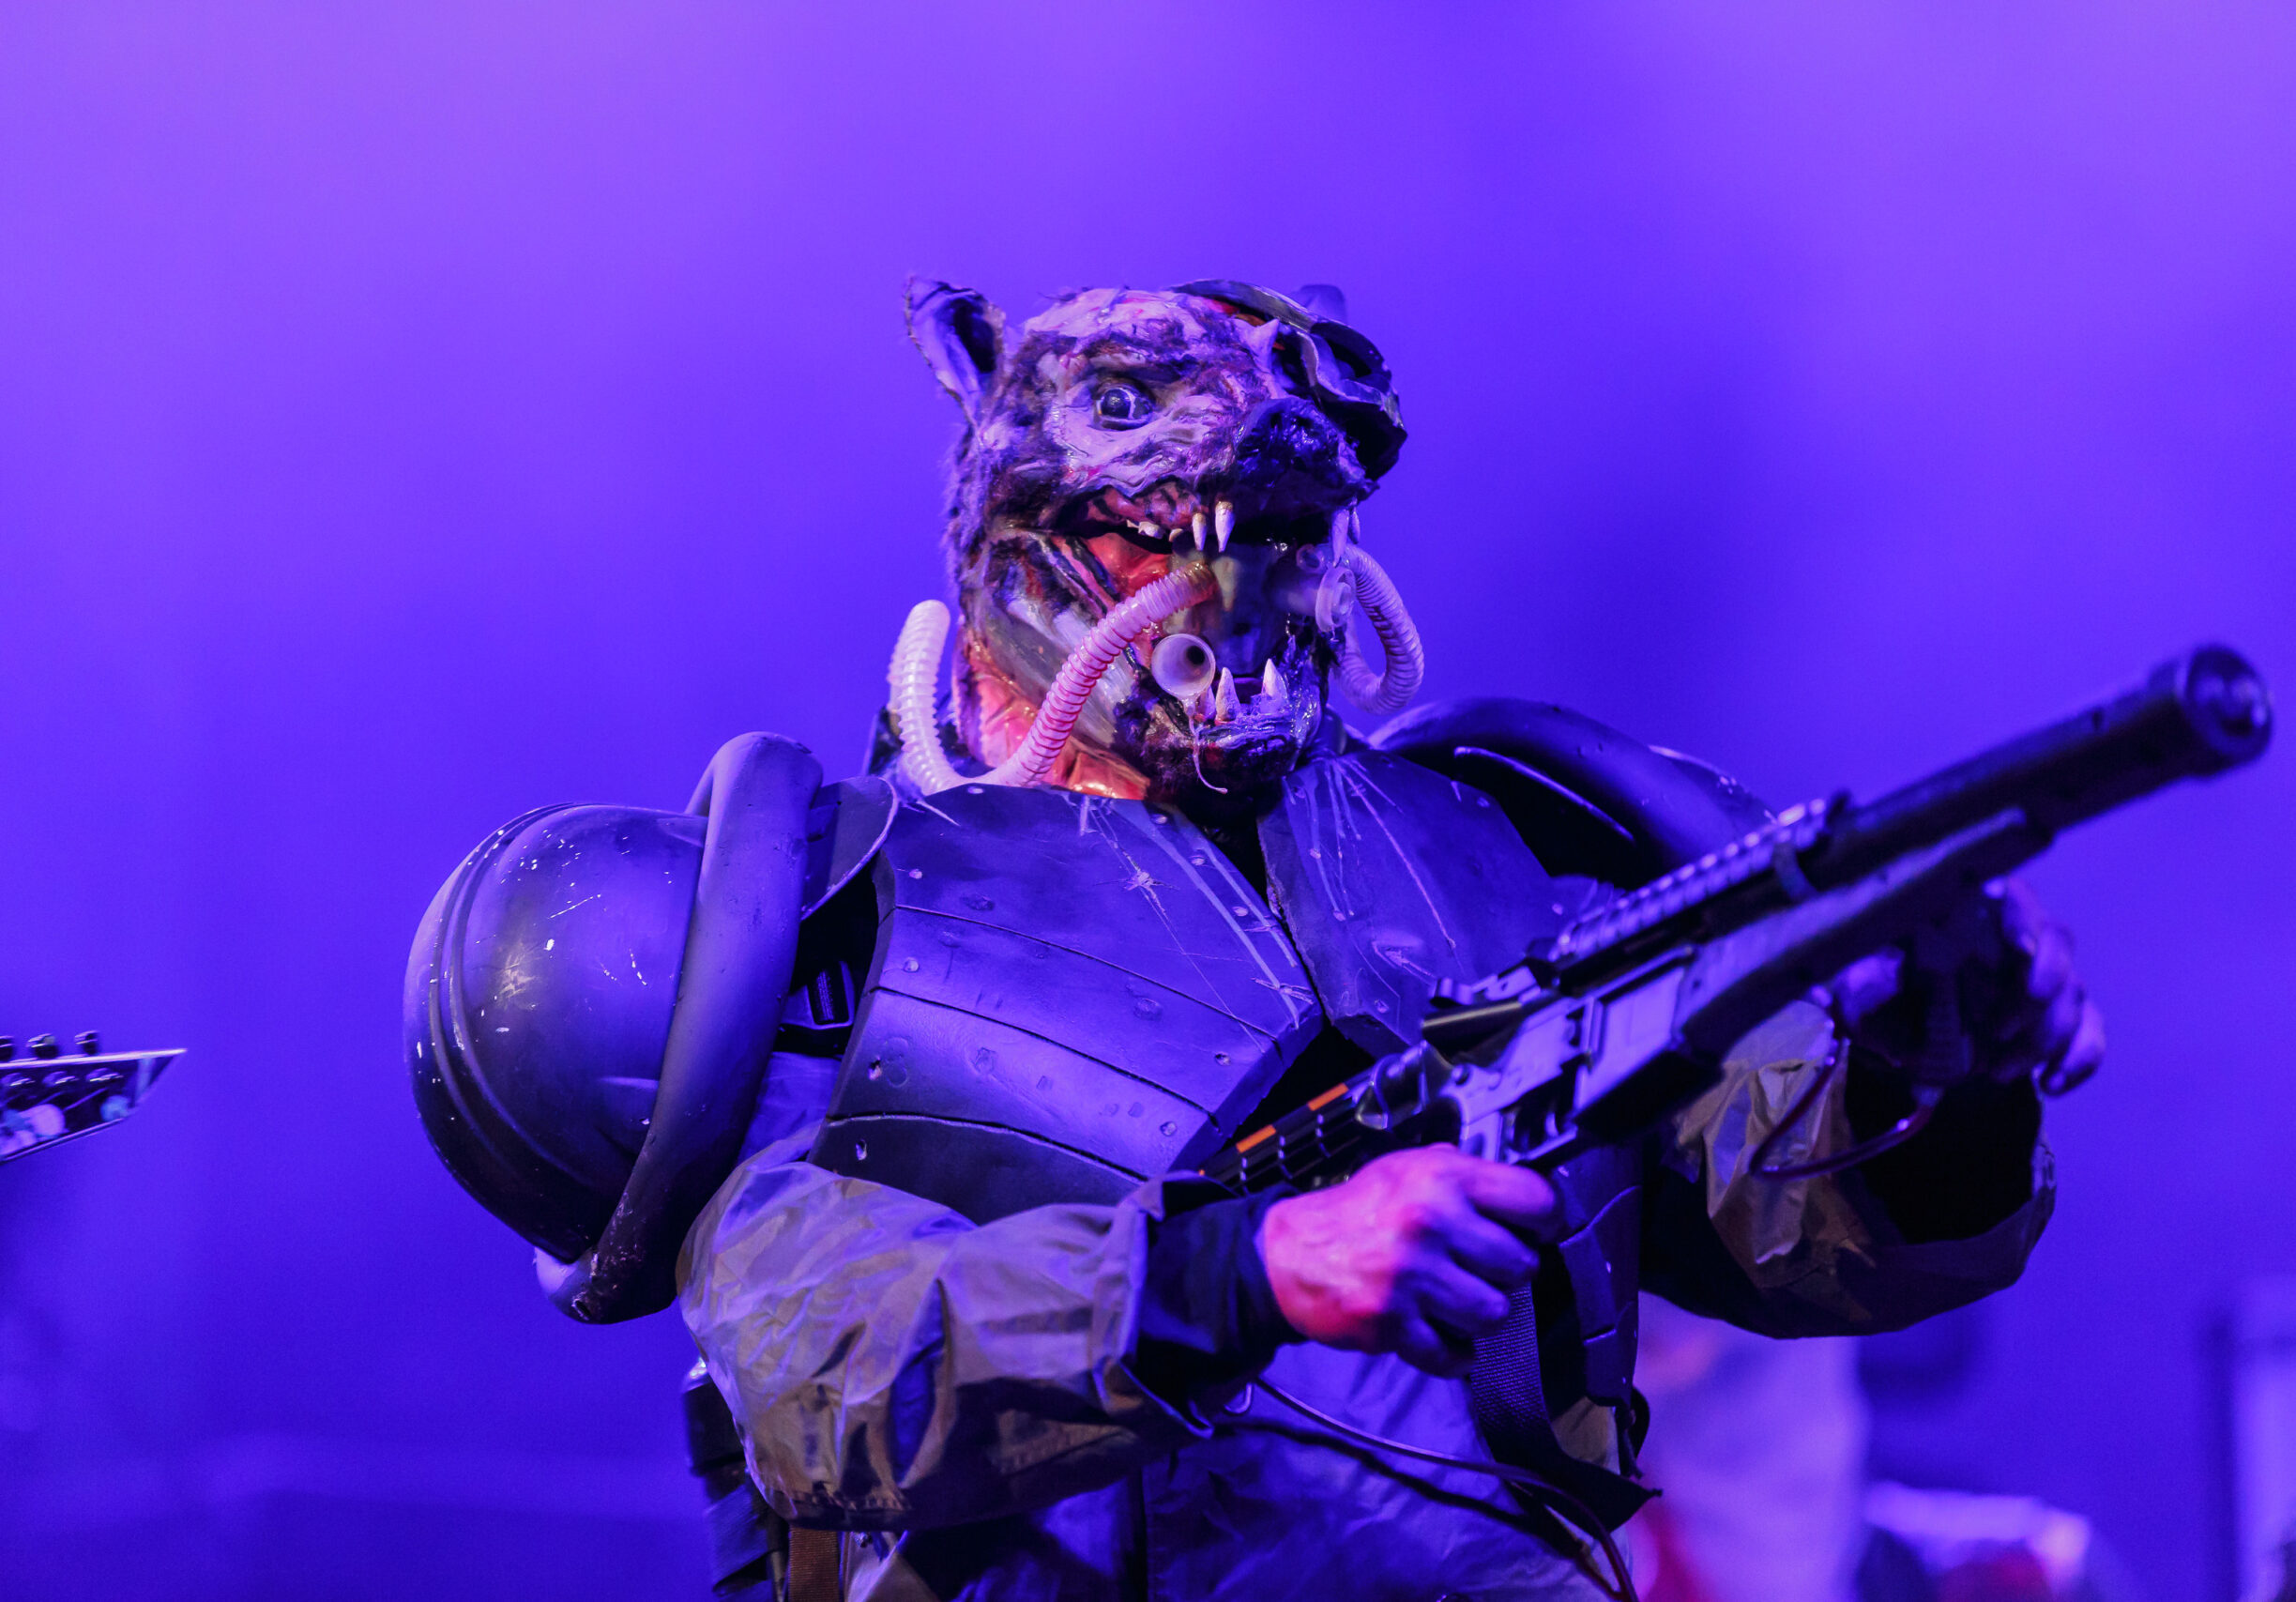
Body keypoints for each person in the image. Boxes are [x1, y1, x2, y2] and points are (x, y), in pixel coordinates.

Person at [407, 281, 2100, 1602]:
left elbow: (1799, 1243)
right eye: (1155, 514)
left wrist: (1938, 1073)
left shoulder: (1475, 864)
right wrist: (1257, 1273)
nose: (1221, 586)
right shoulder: (839, 917)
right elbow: (831, 1373)